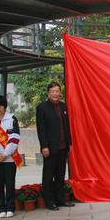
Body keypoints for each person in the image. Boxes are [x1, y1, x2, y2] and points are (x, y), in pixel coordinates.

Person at [36, 81, 74, 211]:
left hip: (63, 146)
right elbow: (41, 129)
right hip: (50, 147)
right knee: (48, 176)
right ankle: (50, 202)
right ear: (48, 93)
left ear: (60, 92)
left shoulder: (63, 107)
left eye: (57, 91)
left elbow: (66, 126)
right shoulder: (42, 107)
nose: (55, 93)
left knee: (60, 175)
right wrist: (44, 146)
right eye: (52, 91)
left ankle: (61, 199)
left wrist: (69, 143)